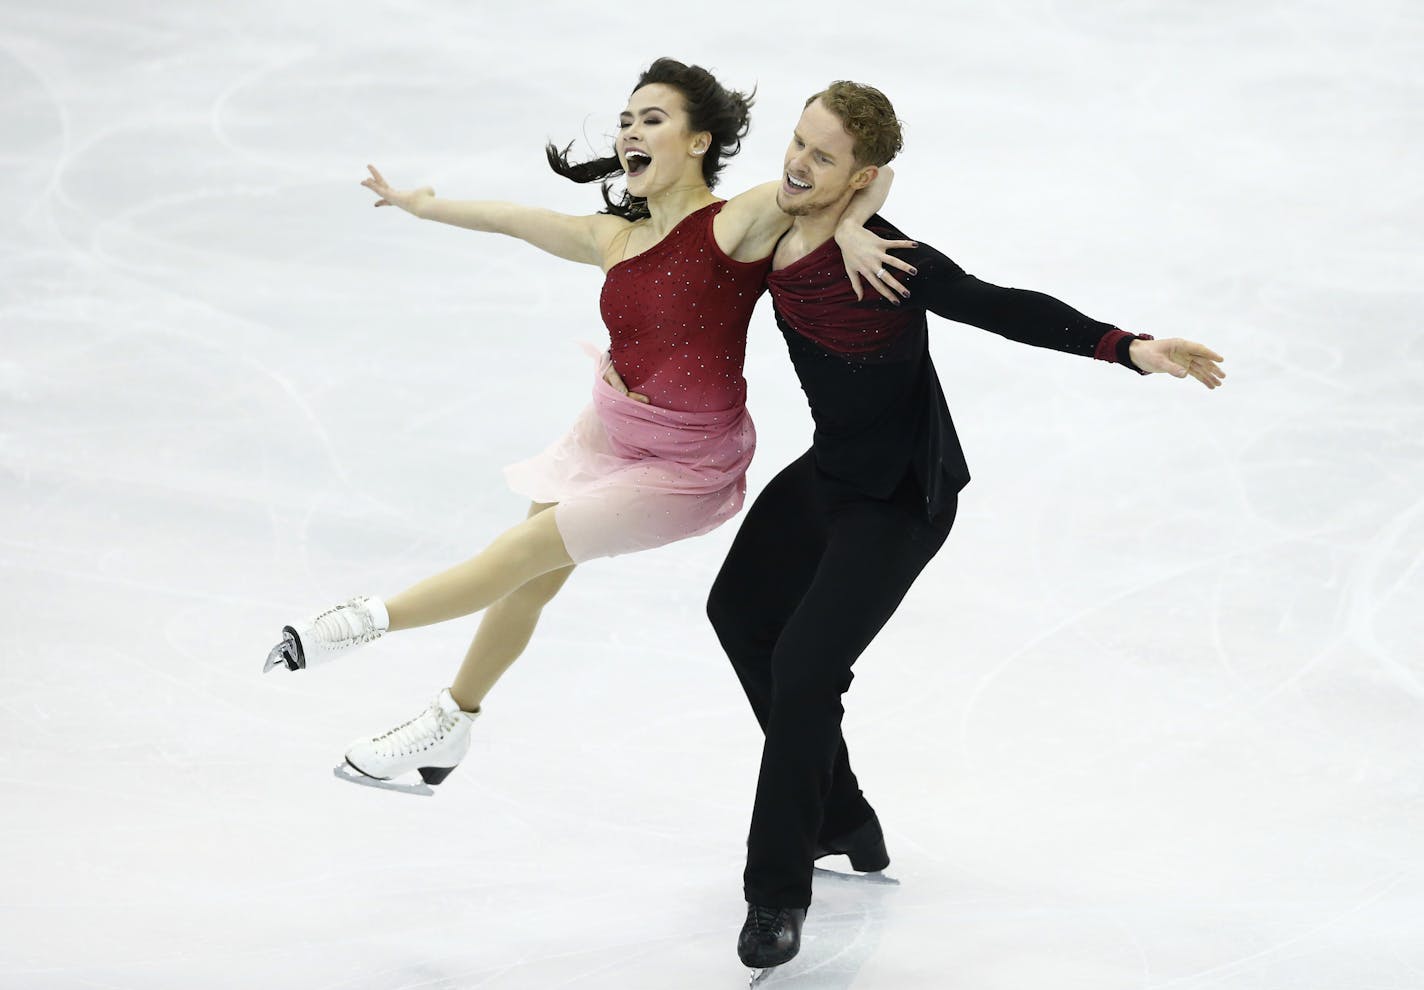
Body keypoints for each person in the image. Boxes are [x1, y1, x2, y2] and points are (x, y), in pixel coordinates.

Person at [695, 81, 1226, 974]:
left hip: (901, 498)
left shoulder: (890, 262)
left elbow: (998, 304)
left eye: (823, 158)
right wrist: (850, 205)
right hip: (830, 474)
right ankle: (842, 815)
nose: (797, 162)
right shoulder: (776, 232)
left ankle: (777, 895)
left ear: (858, 174)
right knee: (739, 613)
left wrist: (1126, 346)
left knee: (804, 666)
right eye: (798, 142)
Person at [261, 59, 904, 794]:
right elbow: (513, 220)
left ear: (698, 142)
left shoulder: (738, 220)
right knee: (529, 583)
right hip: (609, 427)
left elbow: (869, 170)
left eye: (653, 119)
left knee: (520, 552)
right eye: (626, 119)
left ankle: (359, 622)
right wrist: (423, 206)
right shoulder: (612, 239)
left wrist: (850, 224)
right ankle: (452, 723)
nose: (630, 130)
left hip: (685, 463)